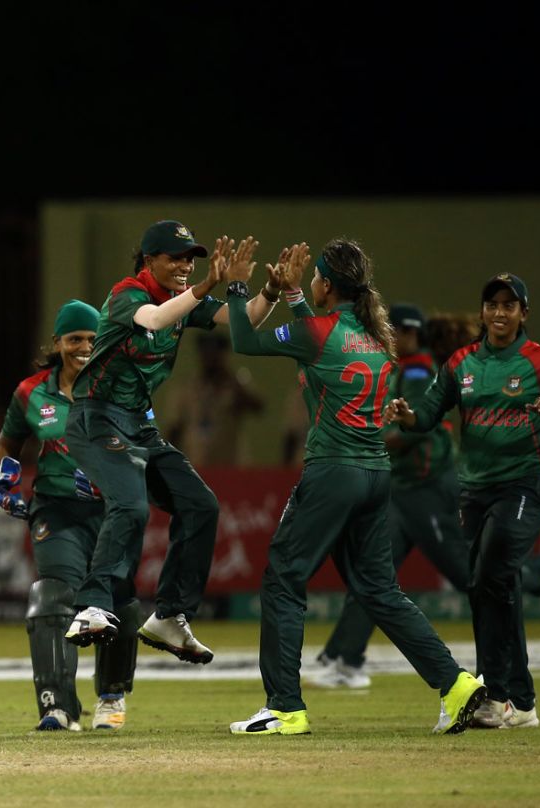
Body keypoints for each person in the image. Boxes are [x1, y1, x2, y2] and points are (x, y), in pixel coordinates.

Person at [225, 240, 485, 736]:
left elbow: (244, 338)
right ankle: (456, 684)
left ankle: (284, 708)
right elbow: (320, 340)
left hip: (332, 472)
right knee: (378, 590)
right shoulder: (375, 338)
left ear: (326, 285)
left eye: (315, 278)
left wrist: (242, 287)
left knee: (283, 577)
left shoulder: (318, 332)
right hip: (375, 475)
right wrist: (295, 294)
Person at [310, 304, 540, 689]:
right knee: (373, 572)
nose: (386, 336)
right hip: (404, 491)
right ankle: (345, 659)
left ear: (408, 333)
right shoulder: (405, 369)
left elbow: (414, 430)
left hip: (428, 490)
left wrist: (369, 440)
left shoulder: (419, 372)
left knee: (469, 574)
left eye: (393, 330)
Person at [62, 221, 278, 664]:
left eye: (190, 259)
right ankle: (92, 606)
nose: (185, 265)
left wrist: (270, 292)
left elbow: (244, 320)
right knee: (131, 505)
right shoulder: (128, 294)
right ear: (149, 260)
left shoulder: (183, 299)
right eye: (176, 257)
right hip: (95, 417)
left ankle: (169, 616)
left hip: (140, 425)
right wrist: (205, 286)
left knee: (201, 505)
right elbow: (156, 319)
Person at [388, 273, 540, 729]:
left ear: (523, 313)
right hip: (475, 489)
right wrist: (407, 416)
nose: (500, 312)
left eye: (509, 305)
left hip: (526, 484)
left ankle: (497, 693)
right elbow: (428, 414)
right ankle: (518, 701)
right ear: (483, 312)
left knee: (491, 574)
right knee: (488, 585)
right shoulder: (461, 363)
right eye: (492, 305)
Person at [0, 299, 141, 732]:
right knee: (52, 596)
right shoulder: (31, 392)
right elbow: (8, 442)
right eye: (75, 339)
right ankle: (56, 706)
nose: (85, 347)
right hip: (56, 508)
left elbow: (146, 446)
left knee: (118, 600)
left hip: (113, 508)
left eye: (93, 339)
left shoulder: (123, 386)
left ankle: (111, 696)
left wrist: (107, 472)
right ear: (57, 342)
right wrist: (2, 476)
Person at [162, 331, 265, 467]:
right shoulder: (187, 389)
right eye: (206, 352)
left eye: (215, 353)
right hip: (196, 463)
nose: (210, 358)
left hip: (231, 464)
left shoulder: (234, 386)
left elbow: (258, 407)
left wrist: (231, 381)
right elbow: (175, 429)